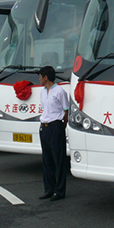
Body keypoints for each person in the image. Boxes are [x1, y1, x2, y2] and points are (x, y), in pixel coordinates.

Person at [37, 65, 68, 201]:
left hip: (56, 126)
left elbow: (66, 110)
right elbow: (45, 110)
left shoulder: (60, 91)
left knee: (58, 160)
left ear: (46, 77)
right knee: (47, 160)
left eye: (40, 77)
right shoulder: (42, 92)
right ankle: (49, 189)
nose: (39, 79)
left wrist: (62, 127)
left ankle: (59, 191)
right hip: (45, 127)